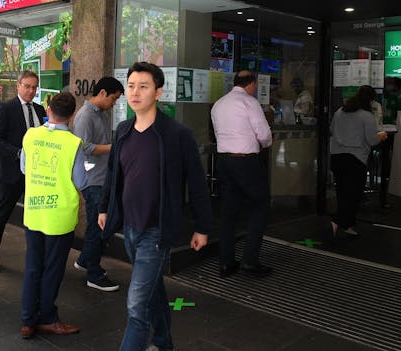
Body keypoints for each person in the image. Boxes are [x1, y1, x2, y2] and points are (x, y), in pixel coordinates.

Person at [99, 62, 212, 351]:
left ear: (158, 92)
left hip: (157, 229)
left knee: (136, 305)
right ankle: (163, 343)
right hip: (130, 226)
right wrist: (103, 208)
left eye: (144, 86)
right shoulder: (123, 131)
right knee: (153, 291)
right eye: (132, 86)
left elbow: (197, 183)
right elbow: (113, 175)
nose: (135, 92)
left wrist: (202, 227)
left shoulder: (176, 134)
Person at [19, 92, 85, 339]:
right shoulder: (74, 143)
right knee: (53, 269)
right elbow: (80, 180)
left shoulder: (31, 135)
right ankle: (47, 317)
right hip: (59, 216)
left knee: (33, 266)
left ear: (48, 110)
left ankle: (27, 320)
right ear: (73, 115)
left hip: (34, 211)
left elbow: (25, 167)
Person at [211, 70, 274, 278]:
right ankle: (250, 261)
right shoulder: (250, 102)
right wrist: (265, 144)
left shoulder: (219, 104)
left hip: (224, 161)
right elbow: (264, 134)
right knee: (261, 205)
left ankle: (226, 263)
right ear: (252, 84)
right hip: (246, 161)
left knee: (228, 212)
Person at [0, 70, 46, 273]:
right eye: (27, 86)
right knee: (2, 213)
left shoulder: (38, 109)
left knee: (35, 214)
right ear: (18, 85)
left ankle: (36, 254)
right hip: (12, 172)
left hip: (36, 174)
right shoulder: (6, 108)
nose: (30, 90)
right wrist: (18, 153)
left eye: (34, 87)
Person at [72, 76, 124, 292]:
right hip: (92, 179)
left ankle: (85, 260)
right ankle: (94, 273)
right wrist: (114, 148)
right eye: (113, 98)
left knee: (99, 224)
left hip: (101, 177)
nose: (114, 103)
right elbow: (84, 147)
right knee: (97, 226)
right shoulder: (85, 116)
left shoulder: (100, 114)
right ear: (102, 93)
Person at [330, 85, 388, 237]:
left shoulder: (339, 111)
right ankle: (337, 222)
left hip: (336, 157)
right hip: (355, 159)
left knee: (343, 192)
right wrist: (381, 136)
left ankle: (349, 225)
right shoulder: (366, 116)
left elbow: (332, 130)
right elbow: (372, 140)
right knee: (353, 195)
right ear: (370, 101)